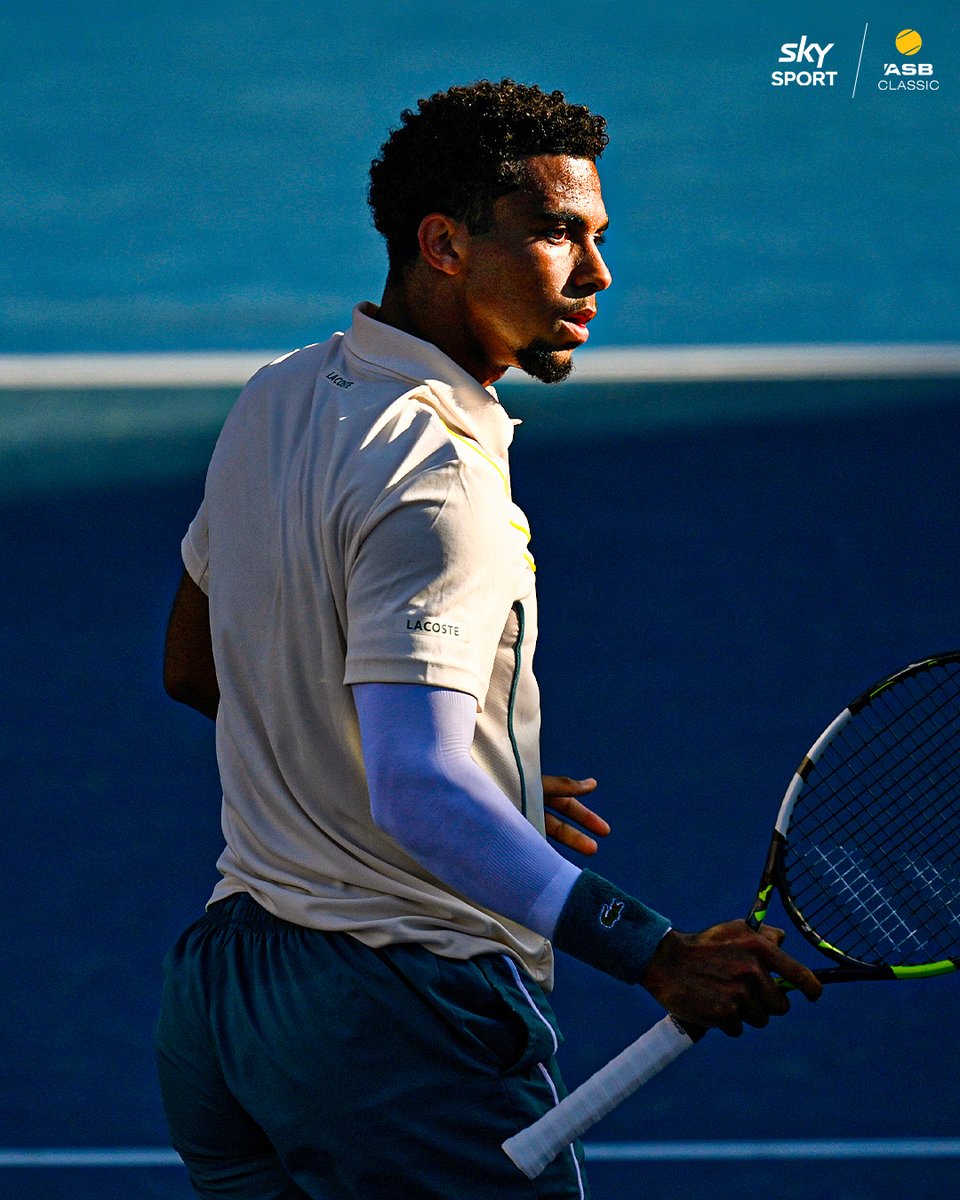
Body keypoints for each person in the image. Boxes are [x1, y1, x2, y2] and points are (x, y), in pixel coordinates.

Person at [157, 79, 821, 1200]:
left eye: (598, 237)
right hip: (395, 1025)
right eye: (559, 234)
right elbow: (418, 791)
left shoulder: (276, 397)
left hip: (225, 1008)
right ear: (446, 245)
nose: (597, 274)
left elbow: (196, 666)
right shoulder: (443, 482)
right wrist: (656, 953)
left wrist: (480, 786)